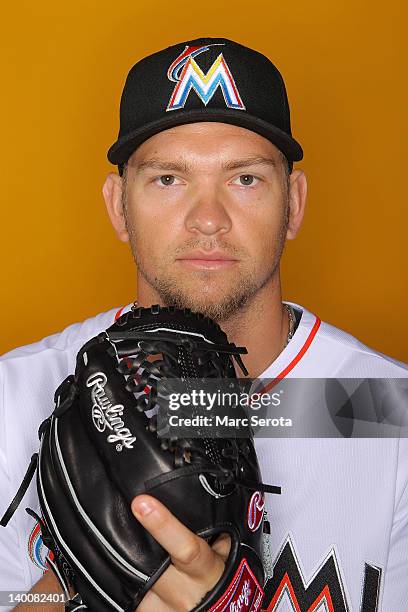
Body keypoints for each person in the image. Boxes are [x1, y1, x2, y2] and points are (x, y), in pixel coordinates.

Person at [0, 37, 407, 611]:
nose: (208, 219)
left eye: (245, 179)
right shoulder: (12, 398)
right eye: (169, 179)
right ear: (118, 205)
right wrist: (77, 584)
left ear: (293, 203)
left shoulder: (386, 408)